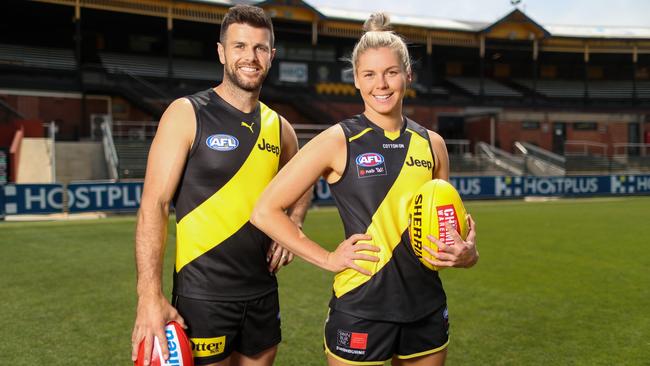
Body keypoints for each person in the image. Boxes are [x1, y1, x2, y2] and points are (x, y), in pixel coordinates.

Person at [251, 12, 478, 366]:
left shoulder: (432, 144)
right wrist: (327, 258)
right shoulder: (338, 139)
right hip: (361, 307)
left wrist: (466, 255)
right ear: (356, 79)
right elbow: (264, 209)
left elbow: (441, 227)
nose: (381, 84)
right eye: (369, 74)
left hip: (426, 308)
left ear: (408, 75)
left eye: (391, 72)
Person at [130, 5, 310, 366]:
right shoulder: (186, 114)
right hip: (202, 297)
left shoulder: (281, 128)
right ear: (221, 52)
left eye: (260, 48)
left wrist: (296, 219)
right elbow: (154, 206)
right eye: (240, 46)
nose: (250, 57)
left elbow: (305, 180)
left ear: (271, 57)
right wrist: (149, 296)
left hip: (262, 293)